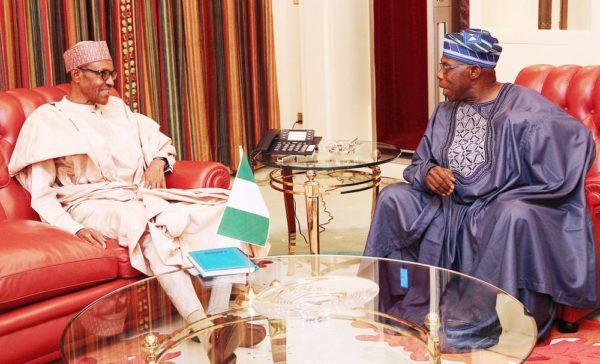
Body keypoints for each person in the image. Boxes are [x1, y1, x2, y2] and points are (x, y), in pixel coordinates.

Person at [8, 41, 268, 355]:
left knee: (219, 209)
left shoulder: (117, 109)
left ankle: (220, 319)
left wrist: (158, 164)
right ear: (76, 75)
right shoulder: (48, 120)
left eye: (112, 73)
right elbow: (42, 196)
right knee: (144, 227)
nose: (111, 81)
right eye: (101, 74)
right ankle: (204, 330)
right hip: (88, 203)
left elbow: (158, 144)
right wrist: (73, 228)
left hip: (136, 195)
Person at [364, 29, 597, 341]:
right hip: (445, 205)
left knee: (512, 213)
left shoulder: (524, 110)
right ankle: (395, 300)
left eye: (447, 67)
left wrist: (508, 191)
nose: (438, 75)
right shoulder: (445, 111)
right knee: (393, 197)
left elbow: (576, 143)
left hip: (492, 209)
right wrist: (429, 173)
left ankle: (478, 316)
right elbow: (419, 163)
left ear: (474, 71)